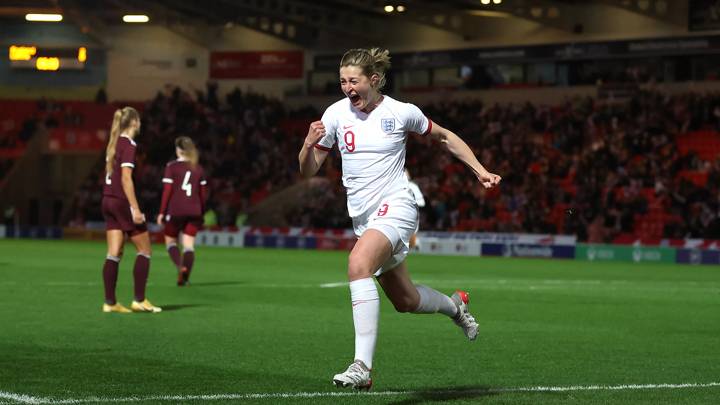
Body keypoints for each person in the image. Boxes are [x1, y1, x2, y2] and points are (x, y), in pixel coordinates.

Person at [298, 48, 501, 390]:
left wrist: (479, 170)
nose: (347, 87)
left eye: (354, 80)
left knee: (357, 264)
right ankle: (455, 307)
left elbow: (445, 137)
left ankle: (361, 366)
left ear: (373, 80)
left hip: (397, 206)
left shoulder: (401, 112)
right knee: (405, 301)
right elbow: (307, 171)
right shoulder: (334, 115)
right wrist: (307, 145)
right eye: (343, 81)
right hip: (363, 218)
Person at [101, 107, 162, 313]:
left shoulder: (113, 143)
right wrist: (135, 209)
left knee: (114, 253)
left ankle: (110, 303)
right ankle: (139, 299)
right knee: (145, 250)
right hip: (120, 201)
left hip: (107, 200)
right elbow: (126, 178)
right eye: (139, 120)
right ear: (134, 122)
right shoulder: (129, 144)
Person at [156, 136, 208, 286]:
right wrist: (202, 213)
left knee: (170, 241)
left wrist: (162, 212)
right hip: (195, 210)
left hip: (177, 210)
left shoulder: (171, 167)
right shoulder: (198, 168)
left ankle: (180, 267)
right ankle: (185, 279)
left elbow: (167, 191)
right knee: (189, 245)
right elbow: (203, 195)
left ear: (178, 150)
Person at [405, 168, 425, 251]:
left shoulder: (413, 186)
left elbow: (422, 203)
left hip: (410, 217)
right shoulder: (391, 185)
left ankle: (415, 243)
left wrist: (409, 203)